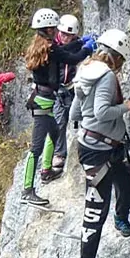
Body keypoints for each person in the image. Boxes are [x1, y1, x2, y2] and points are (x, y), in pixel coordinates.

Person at [68, 28, 130, 258]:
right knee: (97, 206)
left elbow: (76, 113)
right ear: (116, 57)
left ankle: (121, 218)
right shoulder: (106, 76)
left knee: (128, 187)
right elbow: (100, 113)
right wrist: (126, 107)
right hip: (99, 152)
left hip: (100, 146)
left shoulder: (85, 71)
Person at [20, 8, 94, 206]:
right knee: (36, 148)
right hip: (44, 102)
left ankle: (46, 171)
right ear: (50, 29)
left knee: (54, 134)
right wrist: (88, 48)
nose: (56, 31)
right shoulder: (50, 48)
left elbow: (64, 50)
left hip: (44, 98)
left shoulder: (41, 45)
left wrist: (80, 41)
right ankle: (27, 190)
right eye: (55, 28)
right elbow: (71, 58)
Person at [40, 14, 95, 183]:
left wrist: (82, 44)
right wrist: (86, 48)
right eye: (62, 33)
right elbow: (71, 56)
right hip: (56, 89)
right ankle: (59, 154)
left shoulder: (75, 43)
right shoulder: (53, 46)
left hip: (72, 87)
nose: (64, 37)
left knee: (80, 115)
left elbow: (75, 53)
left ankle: (85, 148)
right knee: (59, 121)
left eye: (68, 35)